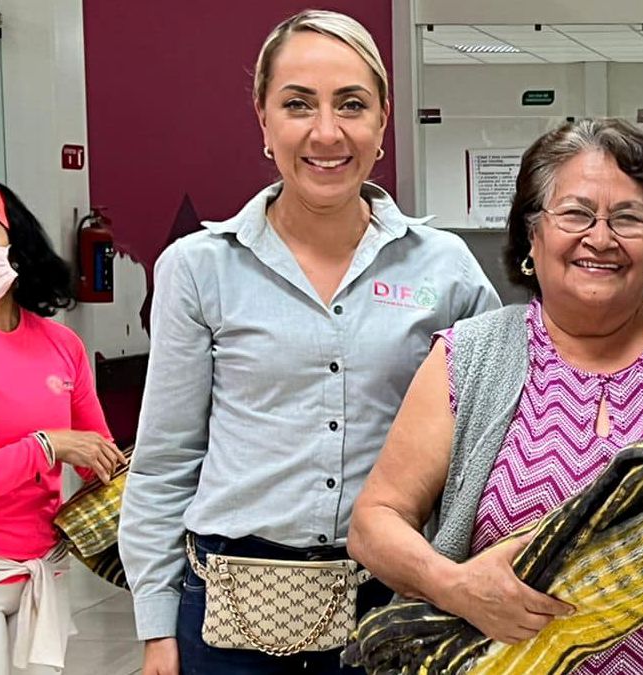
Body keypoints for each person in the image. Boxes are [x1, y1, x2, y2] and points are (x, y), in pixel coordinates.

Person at [118, 10, 500, 675]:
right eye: (298, 104)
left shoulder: (445, 268)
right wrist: (156, 628)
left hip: (395, 601)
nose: (327, 132)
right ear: (264, 121)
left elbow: (510, 401)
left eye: (351, 104)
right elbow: (164, 463)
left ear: (382, 121)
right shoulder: (199, 268)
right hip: (232, 614)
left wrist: (640, 314)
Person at [347, 118, 643, 675]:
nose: (600, 238)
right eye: (576, 214)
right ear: (533, 235)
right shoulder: (470, 355)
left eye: (627, 217)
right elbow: (373, 523)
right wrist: (454, 585)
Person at [0, 179, 125, 674]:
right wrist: (46, 447)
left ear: (16, 245)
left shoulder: (61, 345)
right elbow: (59, 447)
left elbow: (97, 457)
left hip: (44, 569)